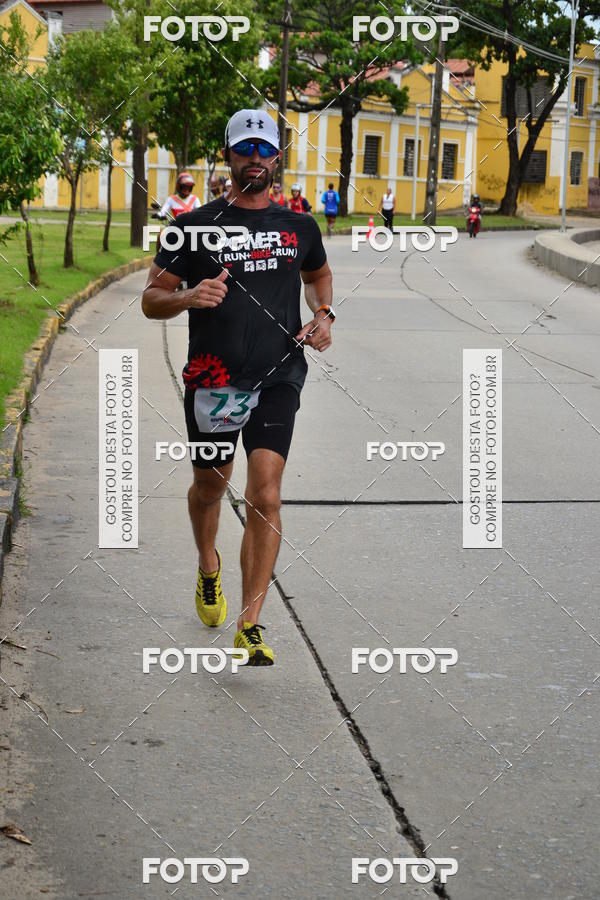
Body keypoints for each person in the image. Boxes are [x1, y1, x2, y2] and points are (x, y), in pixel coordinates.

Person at [142, 109, 334, 667]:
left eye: (264, 149)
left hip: (279, 374)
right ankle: (209, 566)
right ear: (228, 156)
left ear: (277, 158)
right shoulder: (194, 225)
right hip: (213, 377)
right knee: (210, 485)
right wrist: (186, 297)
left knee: (266, 491)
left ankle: (250, 623)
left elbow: (318, 275)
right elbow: (154, 298)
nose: (255, 158)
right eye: (243, 149)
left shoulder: (300, 227)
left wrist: (324, 314)